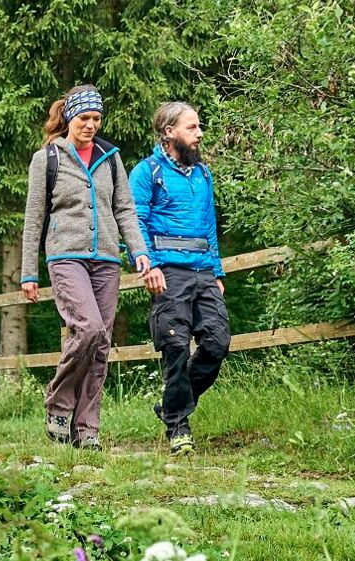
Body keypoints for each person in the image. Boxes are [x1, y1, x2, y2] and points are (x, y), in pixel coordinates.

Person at [20, 85, 150, 450]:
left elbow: (124, 207)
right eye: (84, 119)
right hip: (65, 256)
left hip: (107, 258)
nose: (91, 125)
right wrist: (29, 272)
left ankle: (86, 427)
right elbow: (34, 219)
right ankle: (59, 404)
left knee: (101, 344)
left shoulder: (111, 157)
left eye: (96, 118)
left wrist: (139, 251)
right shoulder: (47, 159)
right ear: (68, 119)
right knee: (88, 329)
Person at [130, 102, 229, 456]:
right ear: (169, 132)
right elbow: (135, 223)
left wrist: (217, 271)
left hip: (203, 270)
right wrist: (149, 266)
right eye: (192, 127)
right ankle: (178, 426)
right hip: (167, 271)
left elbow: (209, 225)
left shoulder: (203, 174)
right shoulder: (146, 172)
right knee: (174, 347)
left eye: (199, 127)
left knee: (217, 343)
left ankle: (171, 405)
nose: (200, 133)